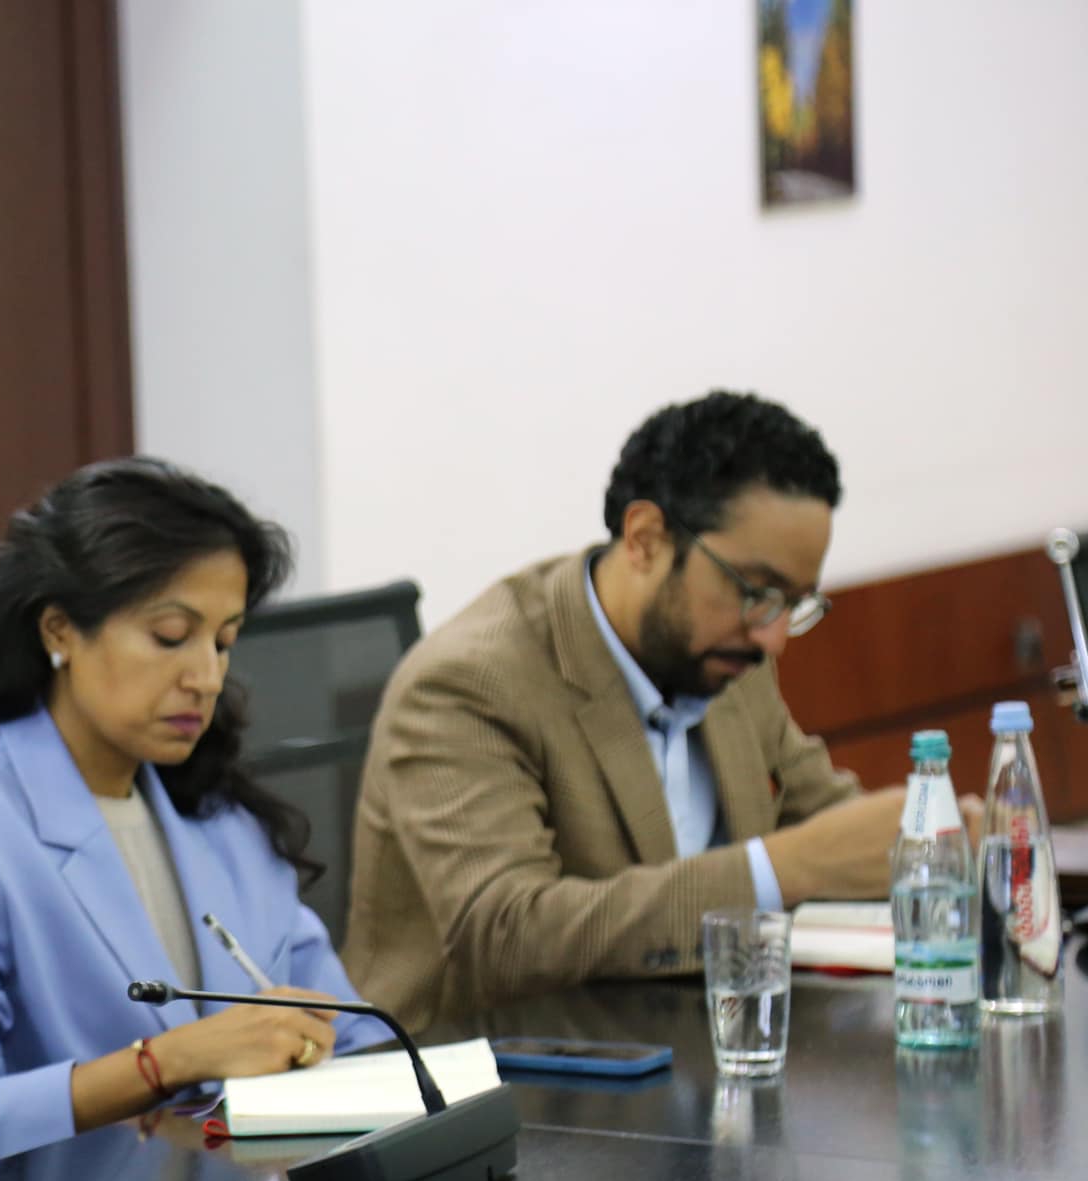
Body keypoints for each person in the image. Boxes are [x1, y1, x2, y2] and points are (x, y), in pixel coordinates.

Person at [0, 458, 390, 1175]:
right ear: (60, 631)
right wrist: (165, 1062)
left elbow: (351, 1035)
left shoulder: (217, 810)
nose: (207, 677)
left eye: (223, 642)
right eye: (170, 635)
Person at [345, 391, 913, 1027]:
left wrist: (936, 841)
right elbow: (506, 938)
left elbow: (827, 819)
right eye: (756, 590)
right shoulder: (467, 684)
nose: (773, 636)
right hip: (494, 1067)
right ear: (645, 539)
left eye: (794, 603)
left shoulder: (728, 651)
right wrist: (785, 868)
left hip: (689, 1043)